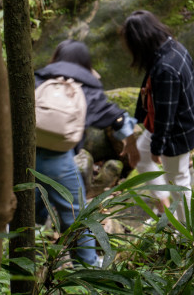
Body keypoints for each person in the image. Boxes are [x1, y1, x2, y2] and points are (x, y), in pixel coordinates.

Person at [34, 39, 139, 267]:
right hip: (60, 161)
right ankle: (87, 267)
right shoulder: (86, 87)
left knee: (24, 209)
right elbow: (117, 118)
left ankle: (14, 257)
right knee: (77, 217)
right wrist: (130, 143)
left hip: (26, 158)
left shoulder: (39, 79)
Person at [122, 10, 194, 223]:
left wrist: (158, 147)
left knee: (178, 181)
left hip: (176, 134)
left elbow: (166, 115)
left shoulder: (165, 67)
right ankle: (167, 208)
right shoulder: (173, 47)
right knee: (140, 155)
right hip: (184, 123)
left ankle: (188, 234)